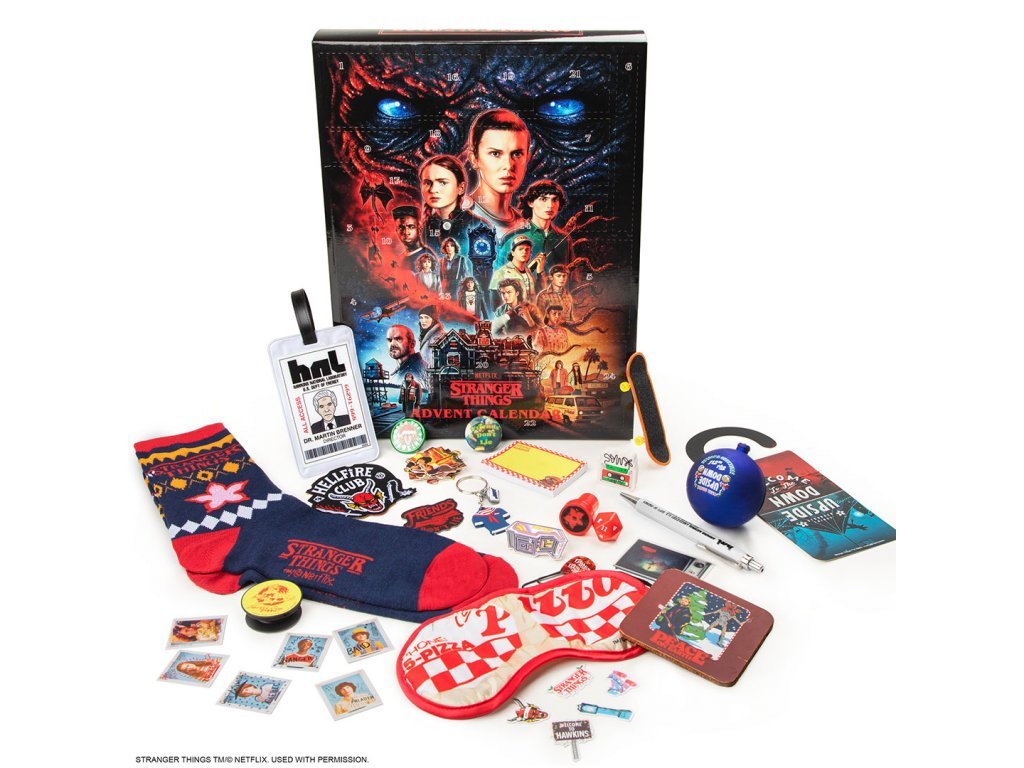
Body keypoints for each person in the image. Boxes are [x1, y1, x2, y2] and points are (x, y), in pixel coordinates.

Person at [419, 154, 492, 276]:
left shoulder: (478, 226)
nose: (433, 189)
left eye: (443, 182)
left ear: (461, 188)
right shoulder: (422, 228)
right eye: (427, 183)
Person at [465, 109, 530, 239]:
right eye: (495, 154)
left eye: (517, 154)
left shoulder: (526, 226)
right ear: (474, 159)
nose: (508, 165)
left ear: (527, 158)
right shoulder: (458, 216)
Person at [514, 179, 576, 273]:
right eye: (543, 199)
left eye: (555, 200)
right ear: (530, 202)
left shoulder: (565, 239)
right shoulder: (514, 236)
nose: (550, 205)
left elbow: (573, 275)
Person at [489, 233, 537, 306]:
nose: (524, 252)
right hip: (511, 312)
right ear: (512, 253)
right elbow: (494, 303)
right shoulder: (501, 273)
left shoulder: (529, 272)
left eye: (527, 249)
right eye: (520, 249)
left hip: (530, 311)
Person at [392, 205, 438, 273]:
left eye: (411, 227)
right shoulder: (399, 259)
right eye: (401, 228)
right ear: (396, 230)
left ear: (420, 229)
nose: (406, 232)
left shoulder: (427, 256)